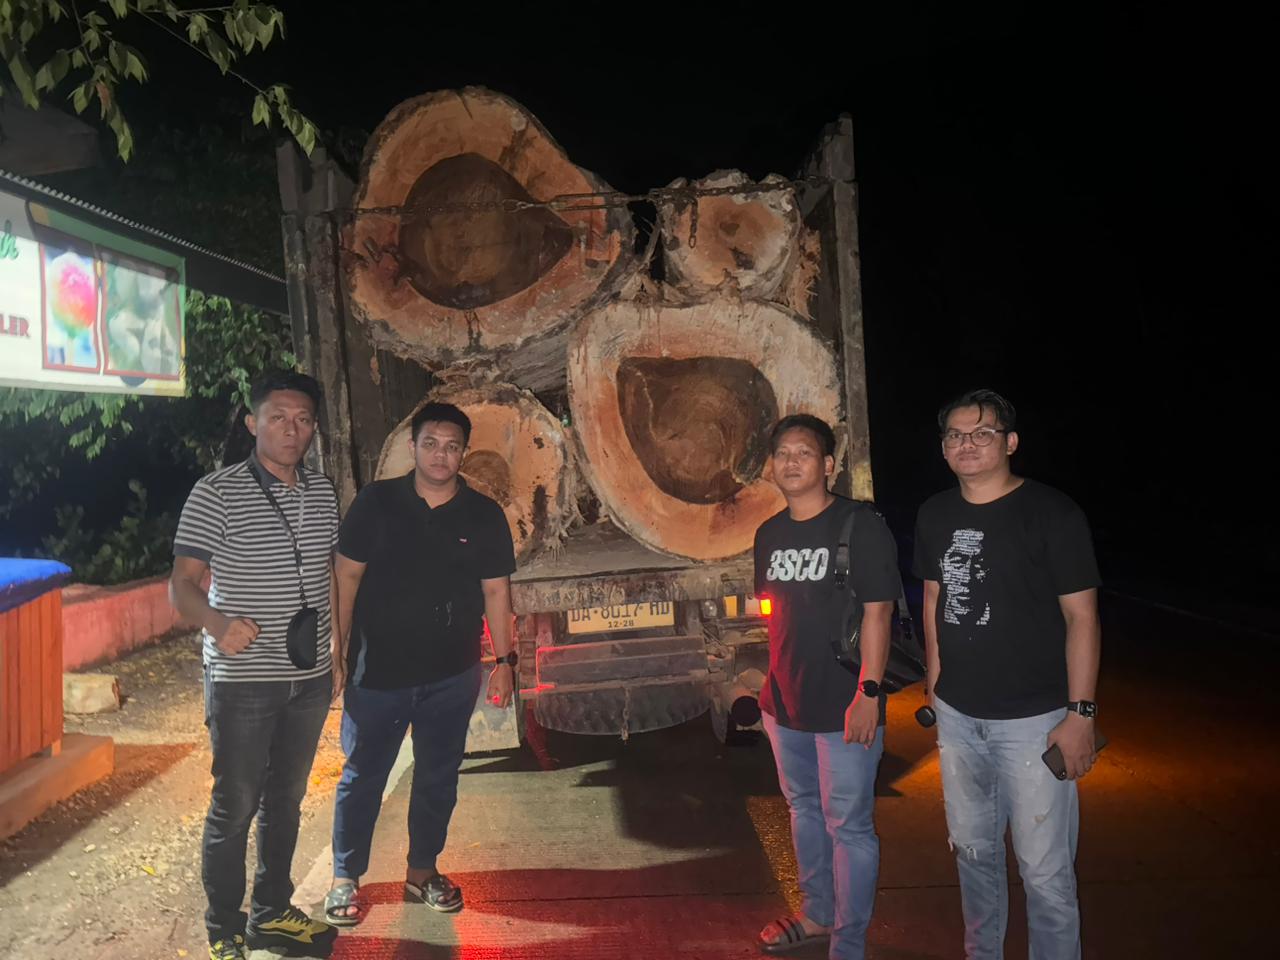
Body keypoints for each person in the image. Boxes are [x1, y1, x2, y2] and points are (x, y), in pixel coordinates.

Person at [913, 388, 1102, 960]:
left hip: (1035, 720)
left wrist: (1080, 714)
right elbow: (933, 597)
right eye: (954, 435)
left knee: (1045, 874)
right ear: (944, 448)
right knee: (973, 858)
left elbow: (1082, 616)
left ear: (1010, 442)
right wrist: (935, 684)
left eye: (981, 433)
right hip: (959, 716)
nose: (966, 444)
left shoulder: (1052, 512)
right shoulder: (935, 513)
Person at [323, 401, 517, 926]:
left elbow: (497, 591)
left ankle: (422, 871)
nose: (440, 454)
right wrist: (337, 652)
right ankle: (345, 878)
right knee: (363, 775)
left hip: (452, 675)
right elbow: (345, 577)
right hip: (378, 673)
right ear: (412, 447)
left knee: (438, 777)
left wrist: (505, 660)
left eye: (452, 446)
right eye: (431, 443)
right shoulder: (377, 504)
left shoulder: (483, 515)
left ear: (463, 454)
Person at [169, 370, 340, 960]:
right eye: (277, 418)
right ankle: (223, 929)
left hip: (310, 677)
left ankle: (271, 914)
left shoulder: (322, 492)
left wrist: (335, 653)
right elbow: (182, 587)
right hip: (243, 682)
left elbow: (328, 580)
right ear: (252, 423)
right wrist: (219, 625)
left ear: (313, 427)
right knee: (235, 803)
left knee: (286, 800)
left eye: (302, 420)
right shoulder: (214, 492)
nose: (291, 430)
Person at [753, 414, 902, 960]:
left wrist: (868, 693)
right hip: (784, 704)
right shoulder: (769, 534)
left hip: (847, 706)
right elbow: (780, 615)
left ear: (829, 465)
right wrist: (772, 695)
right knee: (804, 813)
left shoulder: (860, 526)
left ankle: (849, 942)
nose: (792, 461)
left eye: (805, 453)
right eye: (783, 454)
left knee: (851, 828)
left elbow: (879, 615)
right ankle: (817, 916)